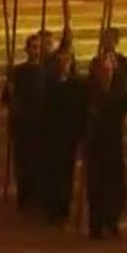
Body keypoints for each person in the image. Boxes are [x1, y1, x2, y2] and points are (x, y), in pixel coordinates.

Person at [84, 55, 127, 240]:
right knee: (96, 188)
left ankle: (112, 220)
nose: (107, 74)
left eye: (110, 70)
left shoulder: (118, 92)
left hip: (113, 146)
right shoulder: (89, 91)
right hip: (95, 146)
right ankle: (96, 225)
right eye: (104, 71)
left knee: (116, 188)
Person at [42, 43, 86, 225]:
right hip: (52, 136)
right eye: (61, 60)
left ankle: (64, 208)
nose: (64, 63)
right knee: (52, 173)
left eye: (67, 60)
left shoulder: (77, 85)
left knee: (66, 174)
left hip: (69, 137)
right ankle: (52, 208)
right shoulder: (49, 84)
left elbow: (81, 111)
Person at [1, 34, 46, 212]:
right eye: (33, 47)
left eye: (38, 47)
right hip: (22, 125)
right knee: (23, 163)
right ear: (27, 50)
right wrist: (9, 90)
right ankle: (25, 198)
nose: (36, 51)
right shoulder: (17, 72)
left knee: (40, 163)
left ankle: (38, 196)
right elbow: (6, 99)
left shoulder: (46, 72)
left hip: (41, 125)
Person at [93, 27, 127, 92]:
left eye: (111, 39)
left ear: (116, 41)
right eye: (106, 38)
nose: (108, 42)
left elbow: (124, 81)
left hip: (117, 94)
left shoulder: (123, 61)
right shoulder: (96, 61)